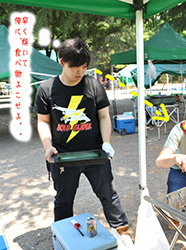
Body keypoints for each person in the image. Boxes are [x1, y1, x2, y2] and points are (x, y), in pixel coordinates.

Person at [33, 38, 133, 246]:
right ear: (62, 62)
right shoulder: (47, 89)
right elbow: (43, 122)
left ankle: (122, 232)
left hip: (95, 153)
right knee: (63, 199)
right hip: (63, 156)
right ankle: (61, 237)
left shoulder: (93, 85)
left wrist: (106, 142)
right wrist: (47, 145)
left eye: (84, 67)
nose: (80, 72)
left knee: (107, 193)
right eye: (74, 67)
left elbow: (104, 117)